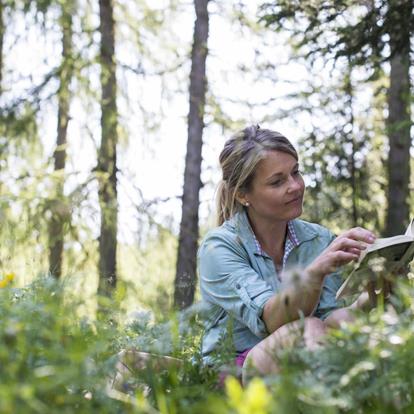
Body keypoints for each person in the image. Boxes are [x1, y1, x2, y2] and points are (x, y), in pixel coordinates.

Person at [198, 125, 376, 384]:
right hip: (234, 370)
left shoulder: (318, 239)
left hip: (303, 355)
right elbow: (274, 320)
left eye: (296, 172)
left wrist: (369, 298)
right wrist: (315, 273)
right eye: (277, 181)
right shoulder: (219, 248)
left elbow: (330, 318)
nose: (295, 186)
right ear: (243, 195)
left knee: (342, 319)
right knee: (308, 326)